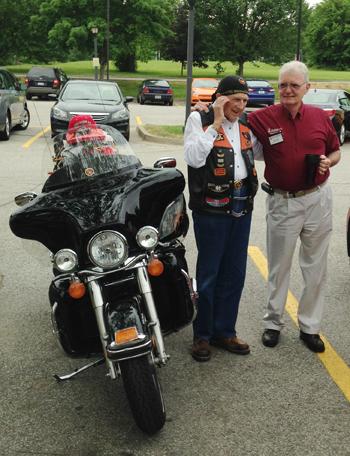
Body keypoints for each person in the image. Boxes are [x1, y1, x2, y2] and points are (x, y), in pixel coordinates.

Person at [248, 60, 340, 353]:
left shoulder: (319, 117)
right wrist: (206, 112)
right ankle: (273, 323)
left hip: (317, 199)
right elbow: (231, 120)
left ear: (307, 88)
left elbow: (335, 150)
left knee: (315, 267)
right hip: (282, 202)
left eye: (294, 85)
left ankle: (310, 327)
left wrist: (329, 161)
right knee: (279, 266)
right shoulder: (263, 118)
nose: (287, 90)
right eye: (283, 84)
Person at [184, 75, 262, 362]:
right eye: (234, 100)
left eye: (244, 101)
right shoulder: (199, 120)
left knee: (235, 273)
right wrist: (215, 123)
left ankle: (225, 331)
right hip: (211, 210)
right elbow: (193, 157)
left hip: (242, 206)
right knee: (209, 274)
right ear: (220, 98)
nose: (240, 106)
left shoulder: (245, 126)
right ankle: (202, 335)